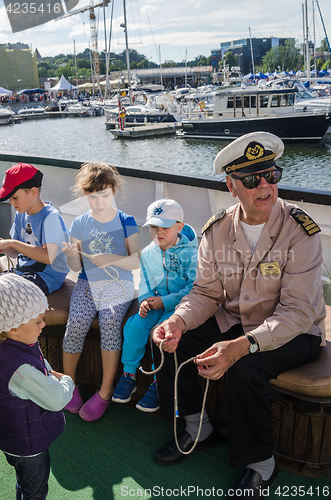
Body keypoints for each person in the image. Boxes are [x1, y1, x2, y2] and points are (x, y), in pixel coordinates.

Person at [151, 132, 326, 499]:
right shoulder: (215, 231)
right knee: (172, 340)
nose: (264, 186)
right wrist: (178, 320)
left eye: (271, 175)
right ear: (232, 186)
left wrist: (242, 345)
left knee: (246, 368)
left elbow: (298, 311)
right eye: (251, 180)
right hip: (236, 321)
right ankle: (198, 428)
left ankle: (262, 465)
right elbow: (206, 294)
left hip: (297, 332)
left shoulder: (301, 231)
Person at [61, 162, 140, 422]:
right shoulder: (79, 224)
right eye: (92, 196)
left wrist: (110, 258)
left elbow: (135, 261)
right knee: (78, 321)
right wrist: (72, 256)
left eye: (104, 194)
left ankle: (105, 392)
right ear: (86, 195)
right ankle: (69, 385)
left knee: (109, 320)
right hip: (87, 283)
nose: (99, 201)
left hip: (120, 282)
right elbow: (76, 267)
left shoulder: (126, 221)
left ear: (113, 190)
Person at [112, 199, 198, 412]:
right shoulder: (149, 252)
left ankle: (159, 382)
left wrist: (165, 302)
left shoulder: (191, 254)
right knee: (133, 326)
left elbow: (194, 287)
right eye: (153, 227)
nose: (158, 232)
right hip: (156, 302)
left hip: (179, 307)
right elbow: (145, 281)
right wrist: (145, 300)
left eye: (165, 227)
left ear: (179, 226)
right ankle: (129, 373)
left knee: (162, 334)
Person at [0, 273, 74, 500]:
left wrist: (48, 372)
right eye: (38, 321)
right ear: (12, 327)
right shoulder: (21, 370)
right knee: (35, 491)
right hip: (28, 444)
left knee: (24, 484)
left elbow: (39, 361)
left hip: (10, 436)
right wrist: (67, 380)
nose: (44, 324)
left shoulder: (15, 343)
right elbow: (56, 400)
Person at [0, 163, 69, 295]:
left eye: (15, 197)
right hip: (22, 272)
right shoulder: (20, 214)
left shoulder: (50, 217)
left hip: (46, 277)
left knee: (5, 293)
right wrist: (4, 244)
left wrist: (11, 243)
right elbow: (15, 253)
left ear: (33, 192)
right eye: (9, 198)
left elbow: (49, 257)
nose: (11, 202)